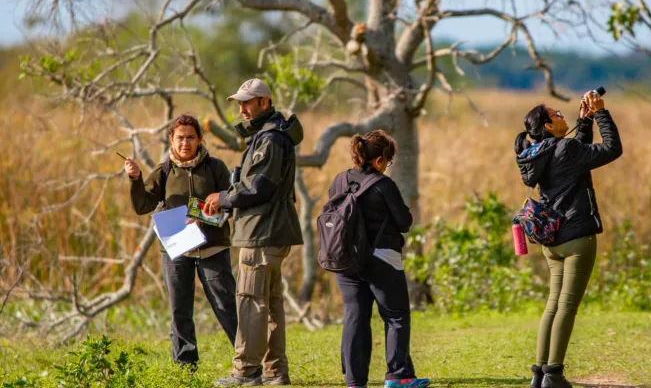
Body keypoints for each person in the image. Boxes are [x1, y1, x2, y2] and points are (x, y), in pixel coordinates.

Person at [514, 91, 622, 388]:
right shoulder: (566, 148)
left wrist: (583, 121)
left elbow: (577, 154)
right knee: (567, 307)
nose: (562, 115)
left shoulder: (538, 152)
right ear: (548, 125)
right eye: (557, 114)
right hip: (577, 239)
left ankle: (539, 373)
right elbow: (611, 149)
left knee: (553, 305)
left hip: (552, 241)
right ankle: (554, 374)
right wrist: (601, 113)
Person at [208, 79, 304, 387]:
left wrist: (223, 198)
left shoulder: (271, 139)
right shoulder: (270, 136)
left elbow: (258, 188)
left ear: (265, 101)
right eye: (240, 103)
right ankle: (275, 371)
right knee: (271, 303)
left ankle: (246, 371)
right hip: (269, 232)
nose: (242, 109)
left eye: (248, 102)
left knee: (250, 300)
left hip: (262, 233)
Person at [124, 114, 237, 369]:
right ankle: (185, 368)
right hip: (176, 251)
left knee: (226, 305)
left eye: (191, 137)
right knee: (180, 310)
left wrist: (203, 217)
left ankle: (247, 361)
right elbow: (142, 206)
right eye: (180, 138)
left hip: (212, 248)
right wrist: (136, 178)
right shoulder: (164, 171)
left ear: (200, 139)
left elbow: (230, 202)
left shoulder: (216, 168)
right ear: (171, 140)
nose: (185, 143)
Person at [327, 130, 431, 388]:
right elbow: (404, 223)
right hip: (381, 257)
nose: (387, 166)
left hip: (344, 258)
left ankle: (354, 382)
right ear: (379, 160)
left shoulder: (339, 180)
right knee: (396, 316)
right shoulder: (384, 185)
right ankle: (398, 376)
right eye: (389, 161)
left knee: (355, 315)